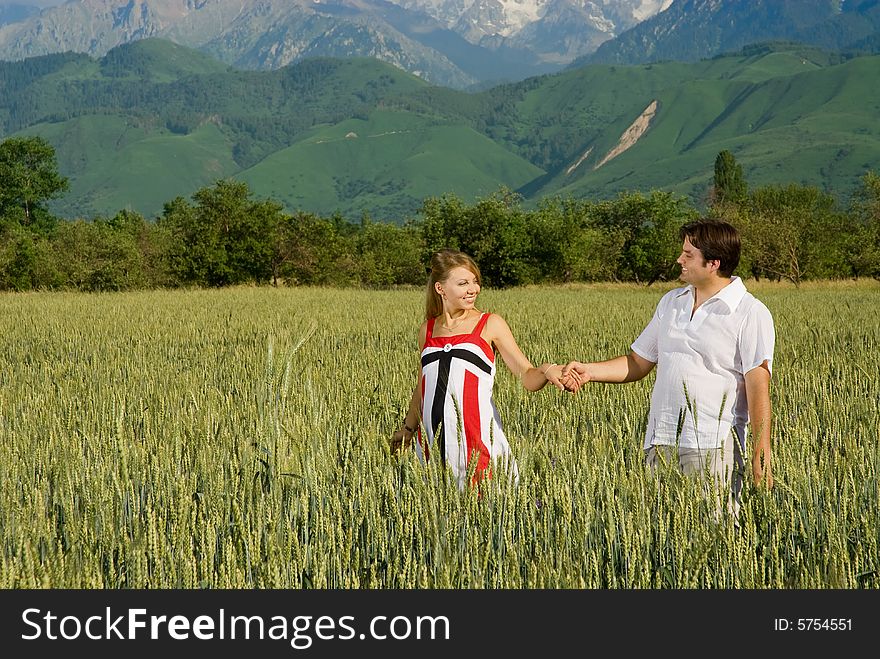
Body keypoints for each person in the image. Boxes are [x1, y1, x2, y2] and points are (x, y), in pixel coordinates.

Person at [562, 219, 774, 515]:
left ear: (713, 263)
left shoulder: (750, 312)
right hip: (661, 439)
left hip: (713, 443)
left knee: (713, 534)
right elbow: (638, 361)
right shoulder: (672, 302)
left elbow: (758, 386)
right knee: (664, 539)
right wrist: (590, 371)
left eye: (688, 255)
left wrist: (760, 454)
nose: (680, 260)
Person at [392, 248, 575, 489]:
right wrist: (407, 428)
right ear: (440, 288)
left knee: (485, 514)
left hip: (477, 445)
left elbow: (526, 375)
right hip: (430, 446)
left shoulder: (489, 324)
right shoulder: (427, 330)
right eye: (463, 283)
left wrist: (546, 370)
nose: (473, 289)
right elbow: (423, 387)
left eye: (475, 281)